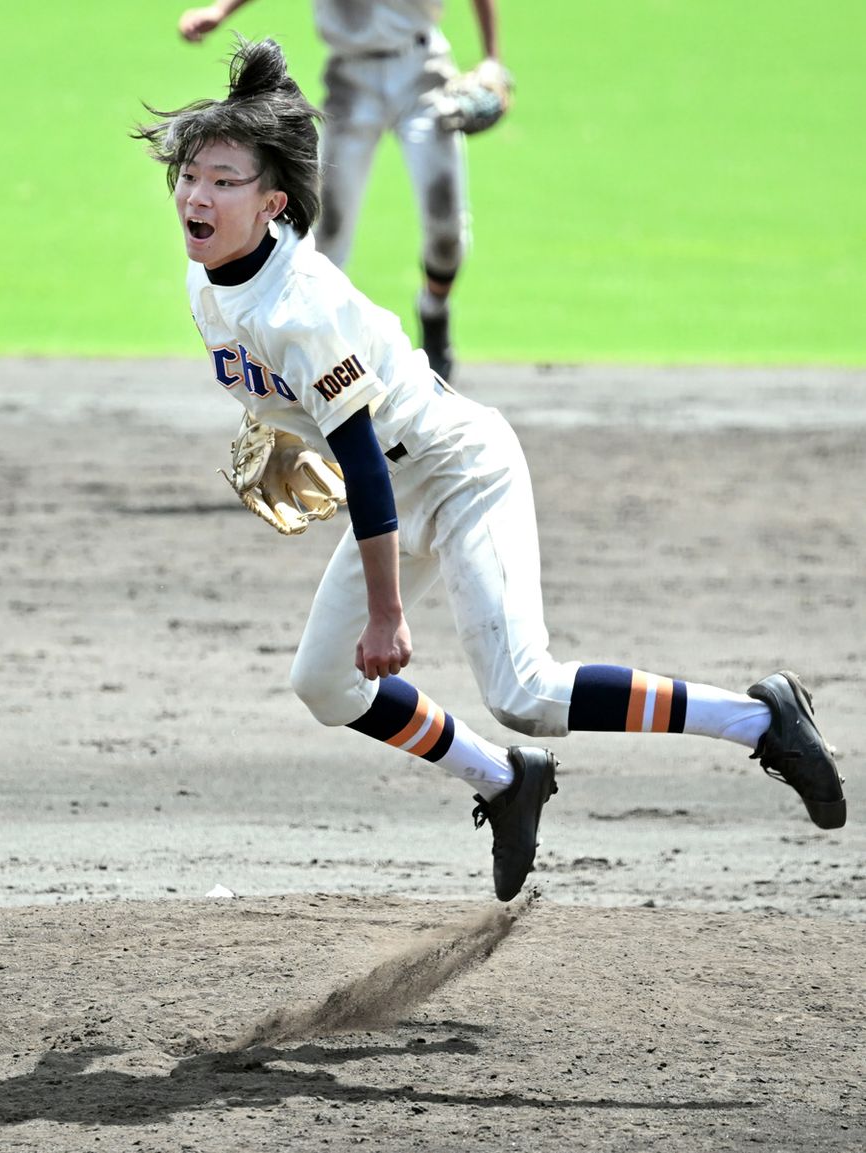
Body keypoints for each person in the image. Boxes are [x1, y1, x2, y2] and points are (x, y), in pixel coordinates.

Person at [133, 38, 846, 903]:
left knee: (526, 688)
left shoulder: (301, 306)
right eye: (191, 176)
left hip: (461, 470)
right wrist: (282, 435)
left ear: (273, 202)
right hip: (399, 484)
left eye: (222, 179)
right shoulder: (209, 275)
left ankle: (762, 719)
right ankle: (507, 783)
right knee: (323, 682)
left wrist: (389, 615)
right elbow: (306, 409)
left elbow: (361, 456)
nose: (196, 195)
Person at [176, 0, 509, 383]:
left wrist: (491, 59)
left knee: (446, 228)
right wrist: (220, 11)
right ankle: (316, 343)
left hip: (423, 71)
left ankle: (434, 310)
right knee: (325, 229)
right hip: (351, 79)